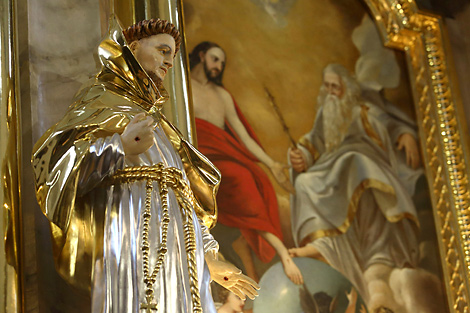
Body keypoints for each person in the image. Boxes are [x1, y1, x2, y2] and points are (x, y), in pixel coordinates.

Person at [32, 17, 259, 313]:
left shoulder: (161, 126)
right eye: (163, 51)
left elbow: (182, 197)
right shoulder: (102, 101)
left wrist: (209, 255)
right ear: (134, 47)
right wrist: (118, 147)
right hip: (129, 234)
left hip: (180, 251)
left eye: (173, 56)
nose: (169, 62)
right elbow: (56, 170)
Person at [288, 64, 442, 313]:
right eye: (326, 86)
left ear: (346, 89)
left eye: (335, 87)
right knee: (304, 183)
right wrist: (301, 156)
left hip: (367, 166)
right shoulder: (325, 114)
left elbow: (392, 126)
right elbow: (313, 143)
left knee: (356, 164)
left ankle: (373, 250)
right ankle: (324, 246)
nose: (330, 92)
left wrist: (405, 134)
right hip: (333, 173)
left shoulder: (362, 111)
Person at [189, 41, 303, 285]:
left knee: (256, 178)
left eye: (222, 62)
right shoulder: (182, 85)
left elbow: (243, 137)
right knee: (241, 177)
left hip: (222, 155)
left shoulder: (222, 95)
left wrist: (270, 163)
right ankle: (282, 252)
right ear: (201, 56)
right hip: (198, 157)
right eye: (215, 59)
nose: (219, 66)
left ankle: (281, 252)